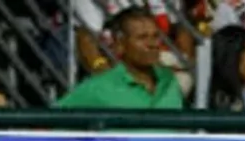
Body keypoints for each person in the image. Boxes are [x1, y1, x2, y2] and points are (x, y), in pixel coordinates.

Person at [56, 7, 185, 109]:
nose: (152, 44)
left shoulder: (170, 81)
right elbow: (50, 121)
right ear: (120, 44)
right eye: (142, 38)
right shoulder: (100, 86)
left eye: (155, 36)